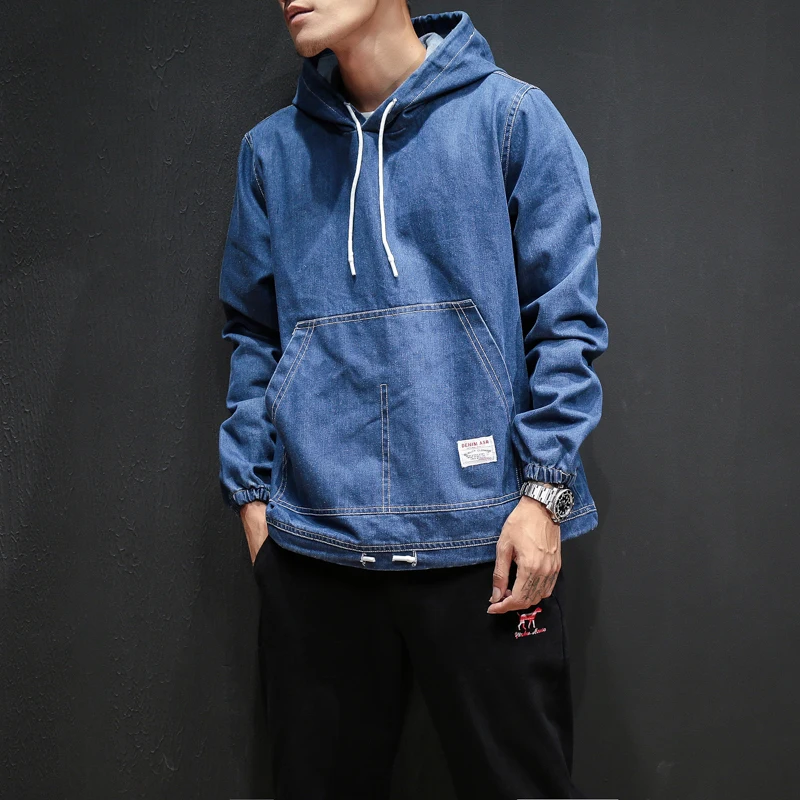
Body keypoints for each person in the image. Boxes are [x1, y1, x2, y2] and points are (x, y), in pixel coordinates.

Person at [217, 2, 608, 798]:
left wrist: (544, 495)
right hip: (316, 549)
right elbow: (252, 333)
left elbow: (567, 323)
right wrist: (254, 500)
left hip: (485, 547)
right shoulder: (271, 153)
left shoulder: (511, 119)